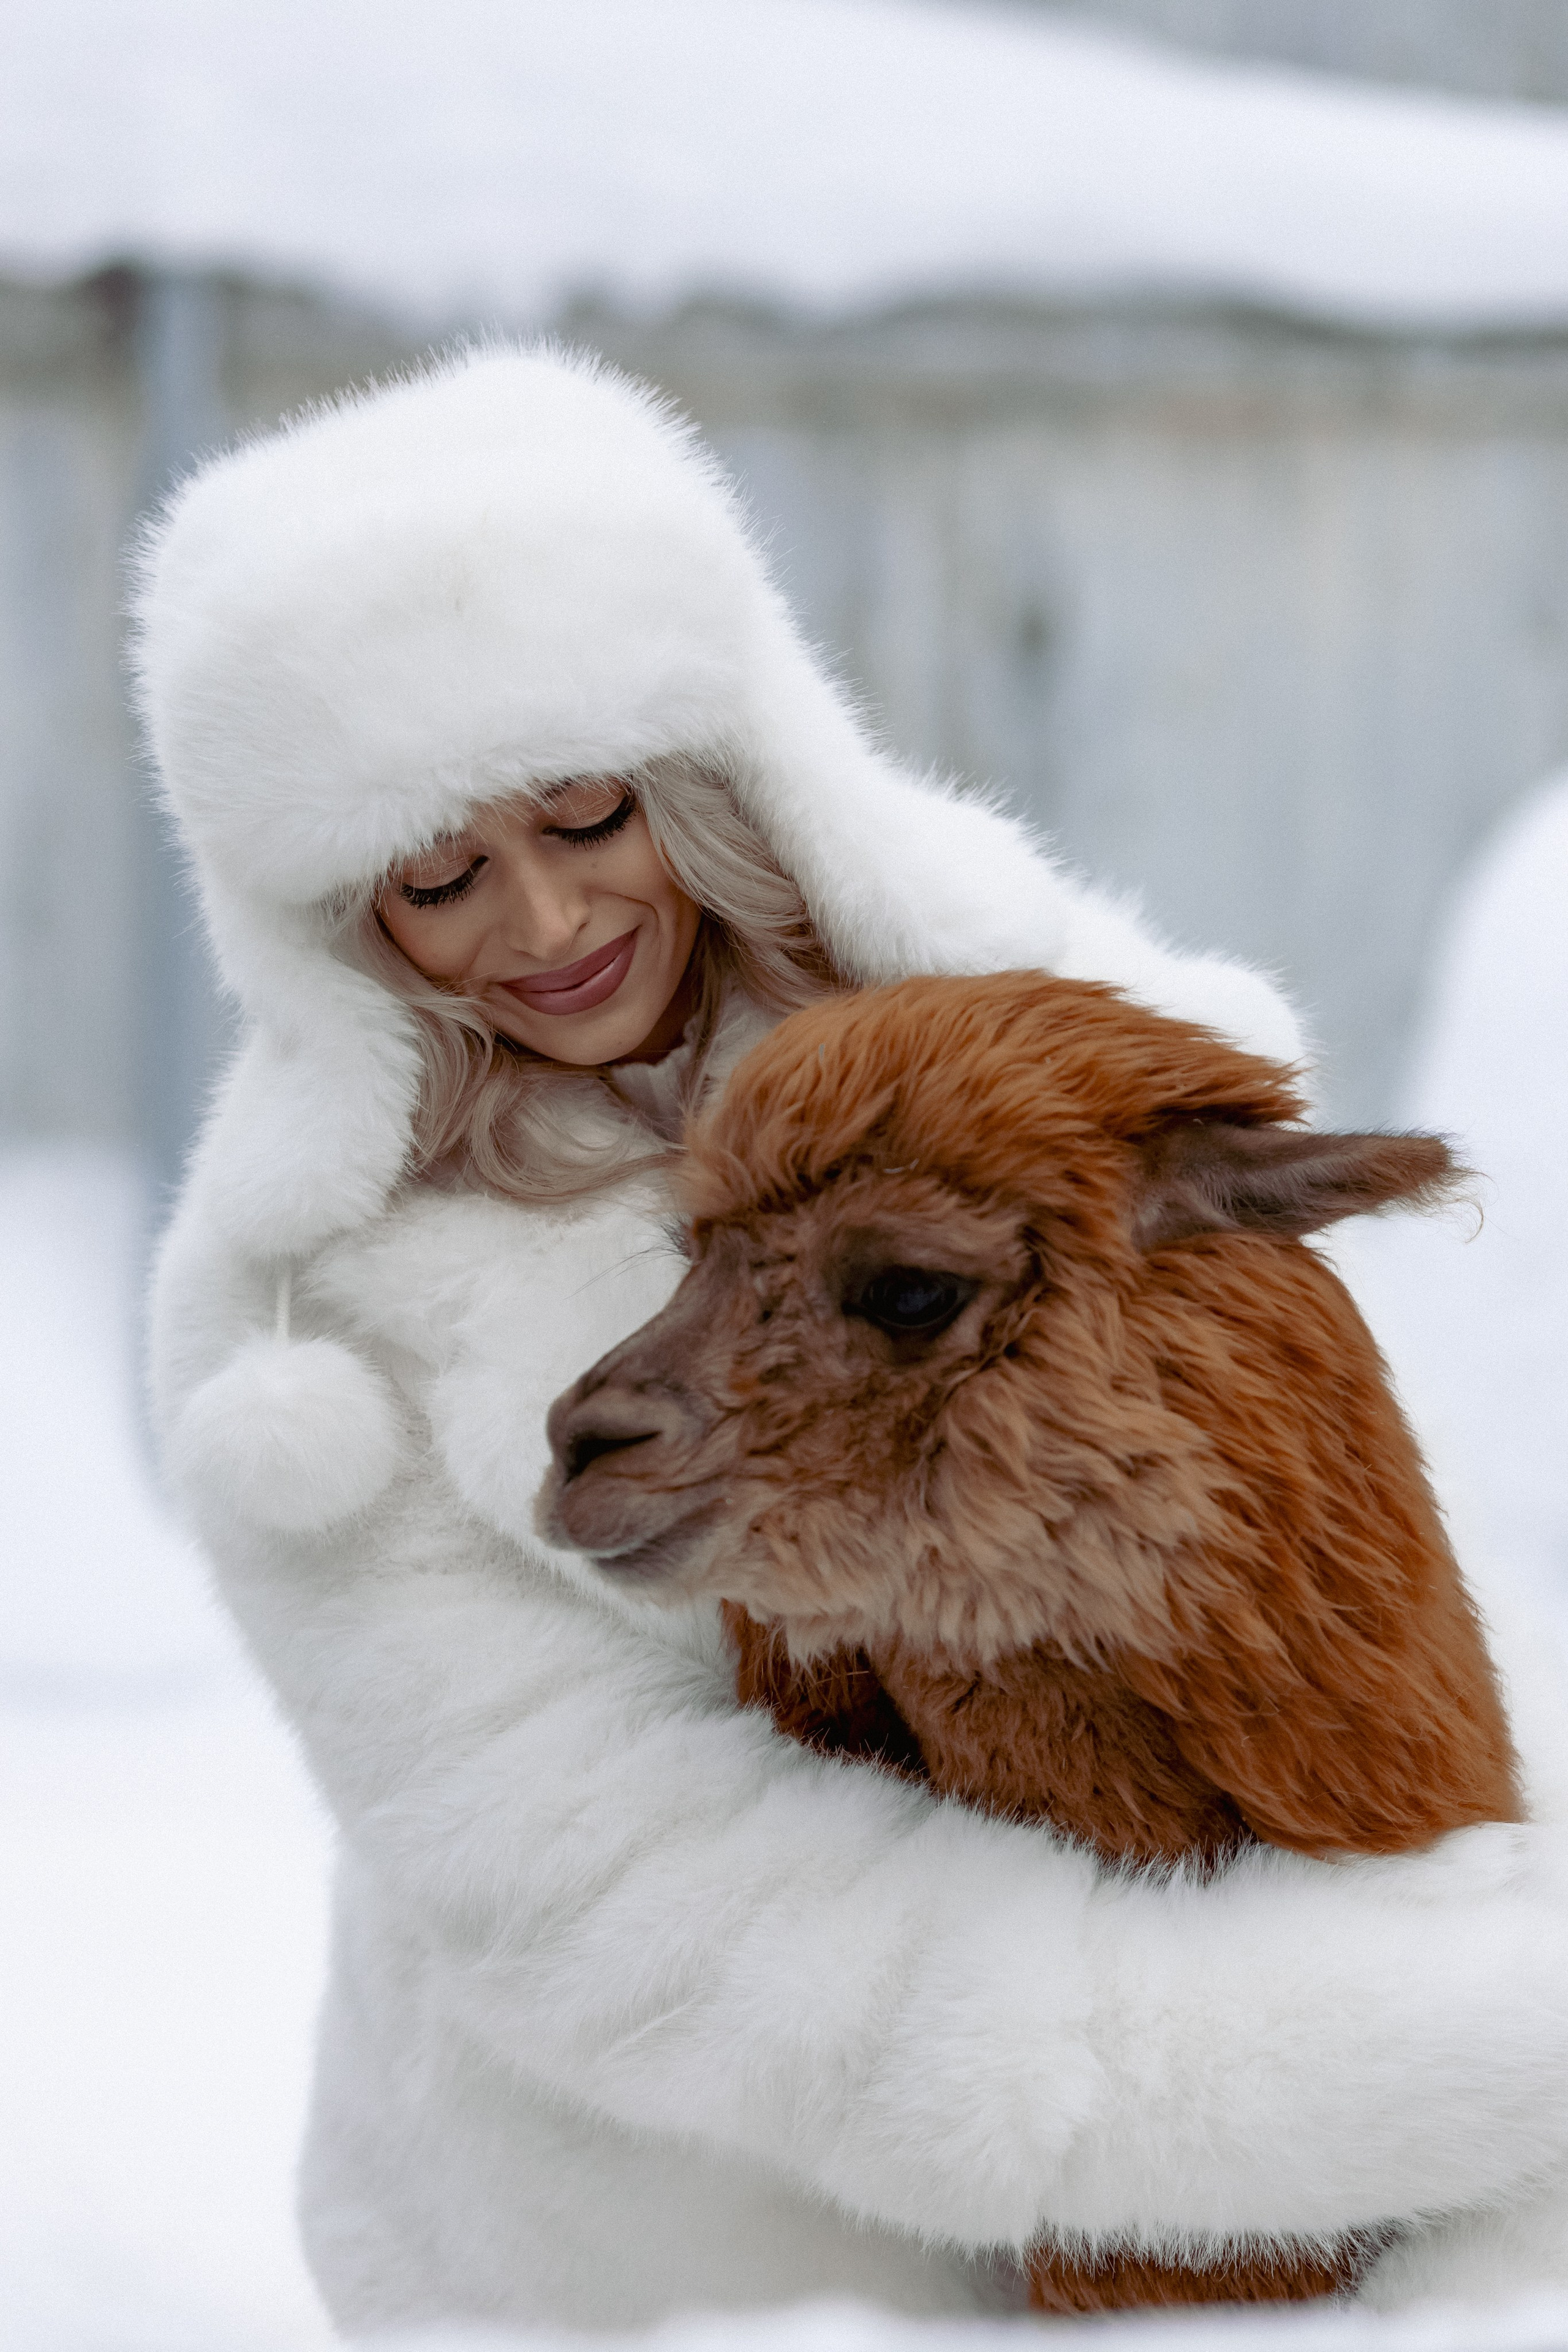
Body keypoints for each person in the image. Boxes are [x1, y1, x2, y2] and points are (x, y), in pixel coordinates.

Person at [134, 346, 1568, 2337]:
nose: (546, 925)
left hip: (1132, 2203)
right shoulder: (315, 1314)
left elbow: (1313, 1564)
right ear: (324, 918)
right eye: (439, 881)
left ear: (703, 763)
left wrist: (1439, 1936)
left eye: (588, 813)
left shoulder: (1005, 1038)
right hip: (661, 2227)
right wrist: (1302, 2068)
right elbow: (579, 1874)